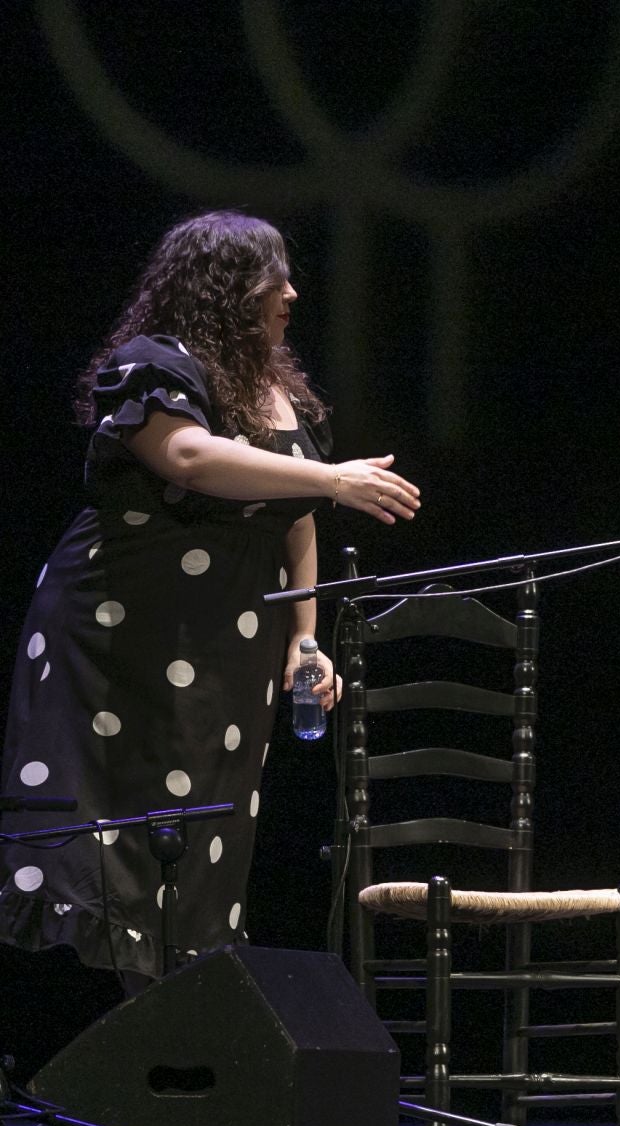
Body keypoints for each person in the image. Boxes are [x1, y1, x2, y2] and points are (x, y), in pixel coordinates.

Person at [0, 210, 421, 993]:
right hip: (121, 634)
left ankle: (175, 1032)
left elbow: (294, 519)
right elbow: (187, 456)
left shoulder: (272, 390)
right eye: (274, 276)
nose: (292, 292)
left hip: (229, 644)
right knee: (124, 830)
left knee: (201, 833)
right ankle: (141, 1045)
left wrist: (306, 639)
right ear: (226, 287)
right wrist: (335, 479)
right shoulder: (153, 363)